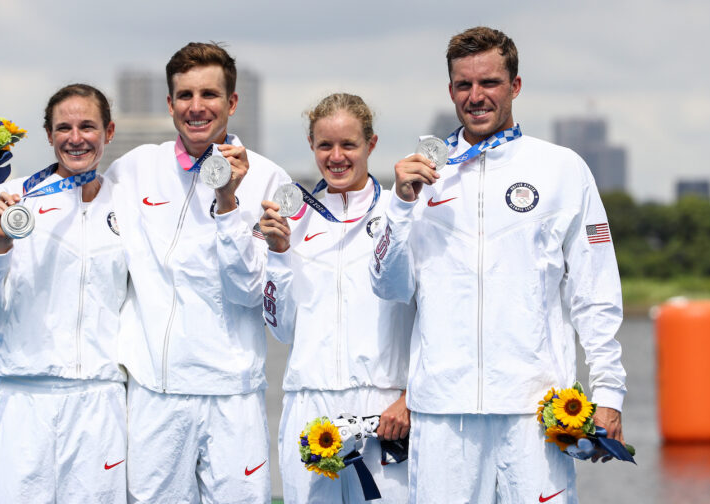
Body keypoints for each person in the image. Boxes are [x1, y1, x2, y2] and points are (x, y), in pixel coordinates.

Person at [369, 27, 627, 503]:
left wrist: (608, 393)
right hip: (445, 413)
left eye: (489, 82)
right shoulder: (419, 178)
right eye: (464, 85)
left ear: (515, 86)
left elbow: (595, 293)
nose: (476, 96)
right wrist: (401, 206)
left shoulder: (562, 169)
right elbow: (388, 287)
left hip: (535, 412)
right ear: (450, 91)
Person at [106, 42, 290, 503]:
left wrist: (228, 202)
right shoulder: (133, 169)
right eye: (184, 95)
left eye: (209, 94)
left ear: (231, 102)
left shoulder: (269, 180)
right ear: (169, 104)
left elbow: (253, 292)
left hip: (233, 395)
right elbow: (79, 212)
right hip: (154, 393)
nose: (196, 107)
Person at [0, 84, 127, 503]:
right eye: (63, 127)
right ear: (49, 136)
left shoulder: (129, 205)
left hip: (101, 404)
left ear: (109, 132)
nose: (75, 137)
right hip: (23, 401)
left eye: (88, 126)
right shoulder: (9, 200)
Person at [260, 93, 414, 503]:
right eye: (325, 145)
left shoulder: (400, 211)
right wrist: (277, 255)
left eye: (349, 144)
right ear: (311, 145)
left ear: (372, 144)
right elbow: (281, 330)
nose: (337, 156)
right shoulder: (292, 220)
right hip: (309, 403)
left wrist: (410, 398)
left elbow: (432, 317)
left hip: (385, 410)